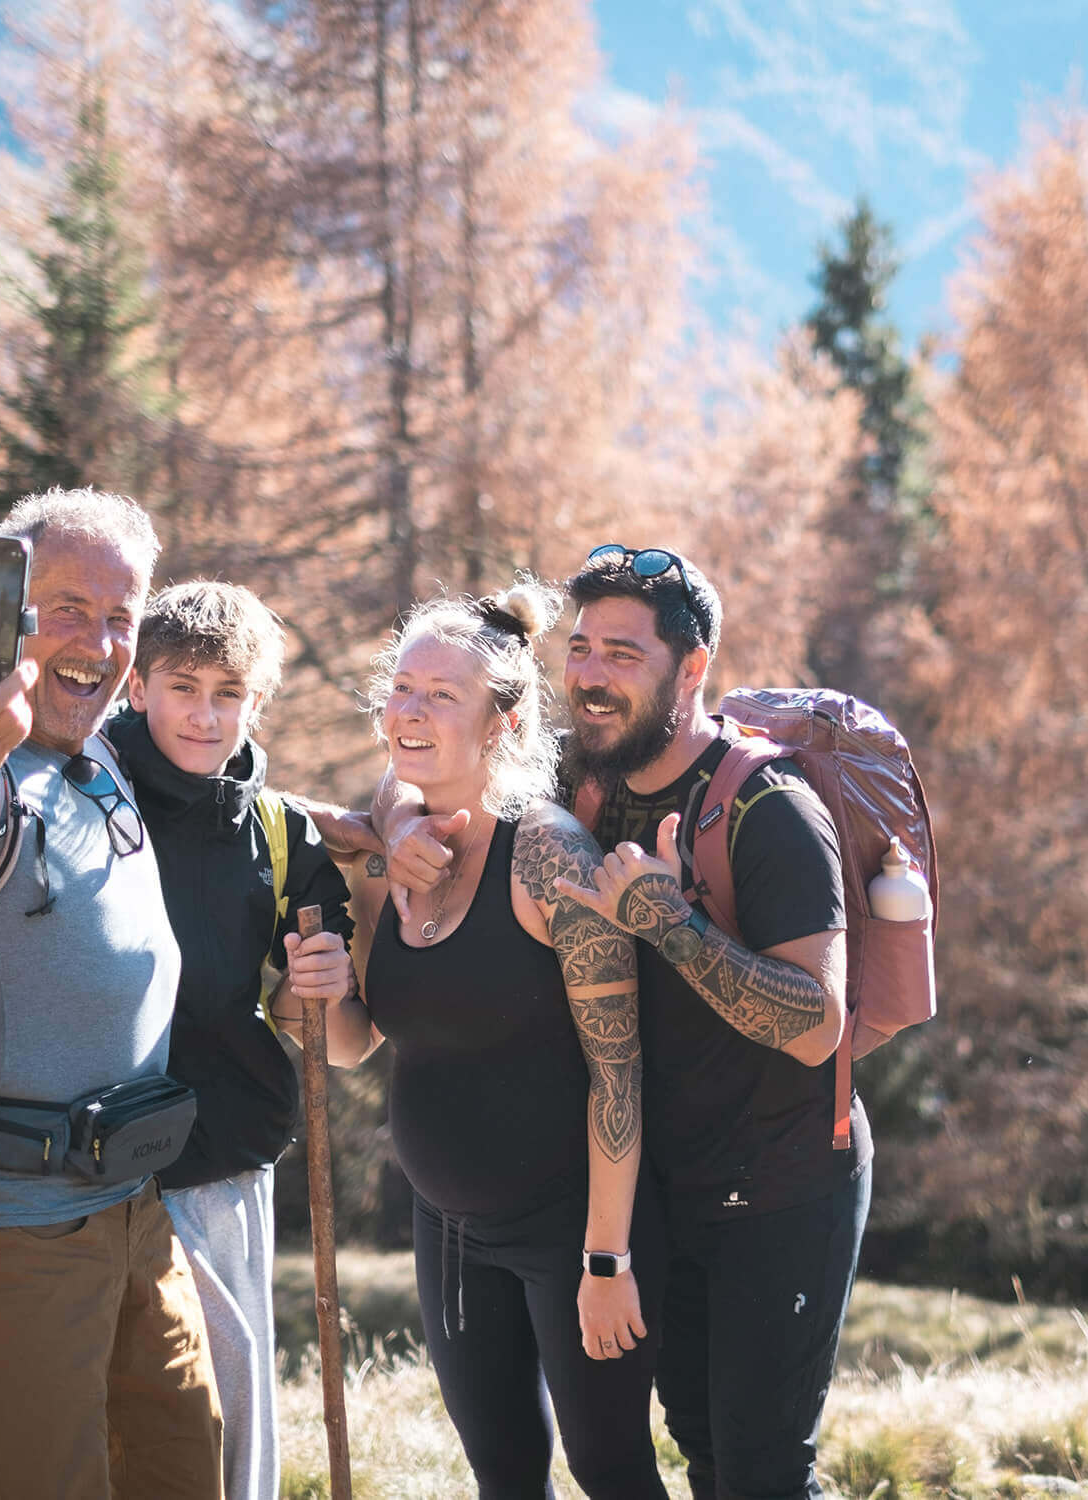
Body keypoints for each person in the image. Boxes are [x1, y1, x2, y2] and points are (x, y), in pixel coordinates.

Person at [387, 546, 867, 1500]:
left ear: (692, 670)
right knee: (704, 1451)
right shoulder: (587, 771)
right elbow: (442, 756)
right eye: (583, 648)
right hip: (669, 1184)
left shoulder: (772, 809)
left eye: (624, 654)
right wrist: (400, 818)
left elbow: (818, 1025)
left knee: (764, 1471)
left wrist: (674, 925)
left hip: (777, 1186)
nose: (593, 676)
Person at [0, 487, 223, 1500]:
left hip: (135, 1215)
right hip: (19, 1232)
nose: (100, 640)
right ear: (5, 611)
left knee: (182, 1472)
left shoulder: (100, 750)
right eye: (67, 607)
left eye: (121, 617)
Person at [306, 583, 668, 1500]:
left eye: (443, 695)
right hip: (448, 1230)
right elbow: (354, 1041)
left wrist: (607, 1260)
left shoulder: (549, 859)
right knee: (504, 1474)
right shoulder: (395, 854)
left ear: (502, 722)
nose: (411, 712)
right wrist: (304, 992)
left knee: (612, 1471)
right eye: (402, 687)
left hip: (571, 1230)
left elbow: (616, 1075)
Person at [108, 580, 357, 1500]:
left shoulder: (280, 830)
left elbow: (307, 1016)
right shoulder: (84, 798)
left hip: (219, 1162)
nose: (205, 715)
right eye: (183, 686)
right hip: (82, 1165)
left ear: (257, 701)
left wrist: (314, 986)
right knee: (109, 1418)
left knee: (229, 1401)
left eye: (229, 694)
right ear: (137, 685)